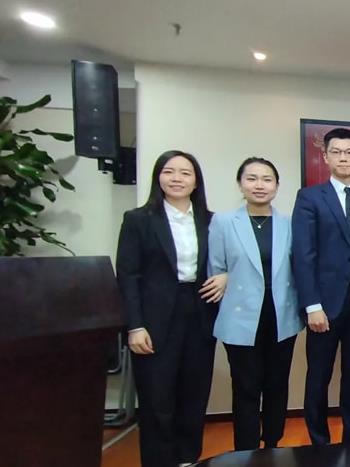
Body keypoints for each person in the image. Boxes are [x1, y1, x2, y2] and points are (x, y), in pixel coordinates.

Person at [116, 150, 225, 467]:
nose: (177, 178)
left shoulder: (211, 221)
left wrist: (226, 277)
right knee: (156, 397)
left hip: (200, 310)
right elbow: (127, 275)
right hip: (154, 318)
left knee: (194, 393)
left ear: (196, 182)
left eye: (185, 173)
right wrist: (134, 325)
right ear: (158, 178)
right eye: (169, 171)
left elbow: (229, 260)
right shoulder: (138, 219)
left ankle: (188, 459)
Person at [292, 128, 350, 445]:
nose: (343, 158)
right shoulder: (310, 198)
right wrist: (312, 305)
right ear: (326, 157)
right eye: (337, 152)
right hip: (324, 304)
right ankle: (319, 439)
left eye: (349, 152)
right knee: (319, 374)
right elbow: (303, 255)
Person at [208, 157, 304, 450]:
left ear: (277, 186)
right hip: (241, 318)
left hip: (281, 315)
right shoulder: (223, 222)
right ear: (240, 184)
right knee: (246, 387)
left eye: (267, 179)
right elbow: (215, 269)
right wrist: (225, 276)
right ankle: (246, 450)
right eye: (251, 178)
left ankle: (273, 443)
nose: (259, 185)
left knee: (277, 385)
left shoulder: (289, 224)